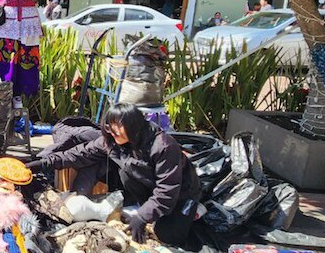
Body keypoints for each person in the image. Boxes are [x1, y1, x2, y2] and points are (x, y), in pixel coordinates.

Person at [27, 104, 201, 245]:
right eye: (109, 125)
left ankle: (194, 209)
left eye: (118, 125)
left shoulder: (163, 146)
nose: (112, 130)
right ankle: (146, 207)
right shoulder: (112, 141)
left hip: (180, 195)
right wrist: (42, 163)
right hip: (148, 186)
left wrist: (142, 217)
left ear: (134, 126)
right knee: (125, 172)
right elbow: (77, 154)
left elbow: (167, 191)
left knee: (168, 236)